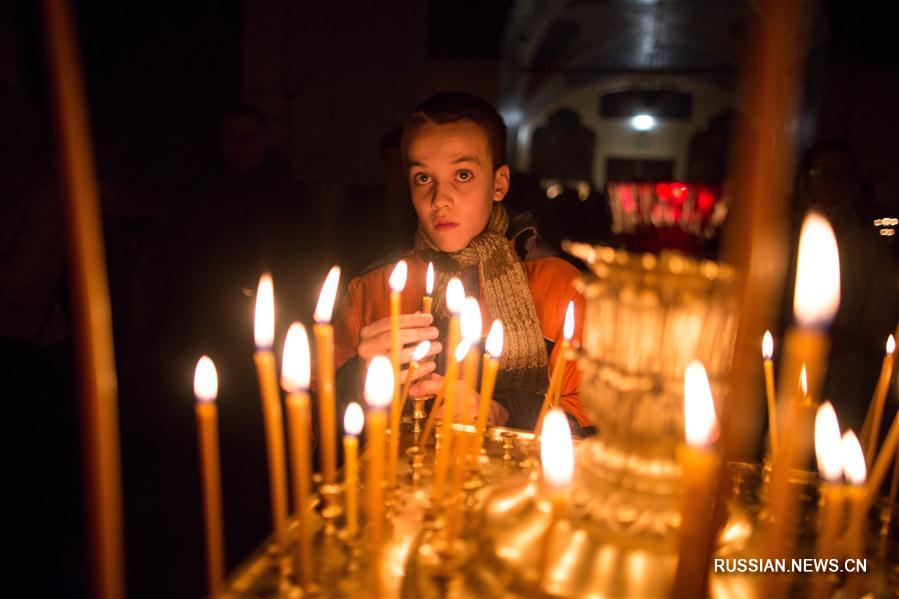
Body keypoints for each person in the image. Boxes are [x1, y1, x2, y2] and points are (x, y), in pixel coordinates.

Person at [332, 92, 589, 433]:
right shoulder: (374, 288)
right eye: (423, 178)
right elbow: (315, 425)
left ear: (499, 183)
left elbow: (599, 418)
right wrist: (357, 380)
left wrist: (505, 414)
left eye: (463, 175)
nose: (440, 200)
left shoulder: (559, 287)